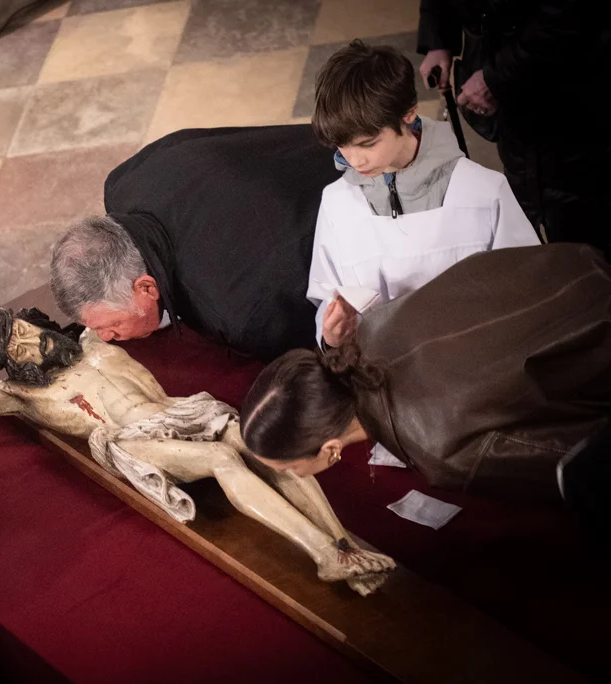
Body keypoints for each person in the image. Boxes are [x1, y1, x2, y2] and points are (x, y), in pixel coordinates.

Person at [0, 307, 396, 597]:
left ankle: (343, 539)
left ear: (42, 324)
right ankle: (325, 555)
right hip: (134, 442)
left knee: (250, 439)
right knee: (222, 460)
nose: (37, 347)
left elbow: (130, 297)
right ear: (12, 363)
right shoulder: (17, 395)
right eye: (22, 349)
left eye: (33, 334)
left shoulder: (91, 341)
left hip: (180, 412)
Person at [240, 243, 611, 502]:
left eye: (290, 468)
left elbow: (581, 460)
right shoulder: (374, 326)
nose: (293, 477)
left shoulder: (440, 452)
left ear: (331, 451)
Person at [307, 39, 538, 349]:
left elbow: (529, 296)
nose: (354, 160)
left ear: (408, 113)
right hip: (380, 379)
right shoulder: (337, 204)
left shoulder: (484, 194)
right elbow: (328, 296)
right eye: (341, 146)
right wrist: (331, 335)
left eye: (367, 144)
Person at [50, 124, 341, 361]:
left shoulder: (237, 316)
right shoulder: (124, 181)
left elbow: (326, 340)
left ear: (146, 287)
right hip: (328, 141)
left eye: (111, 326)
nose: (106, 337)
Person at [417, 0, 611, 259]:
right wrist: (439, 38)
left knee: (580, 209)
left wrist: (497, 76)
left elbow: (567, 16)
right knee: (526, 194)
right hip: (510, 79)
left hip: (576, 84)